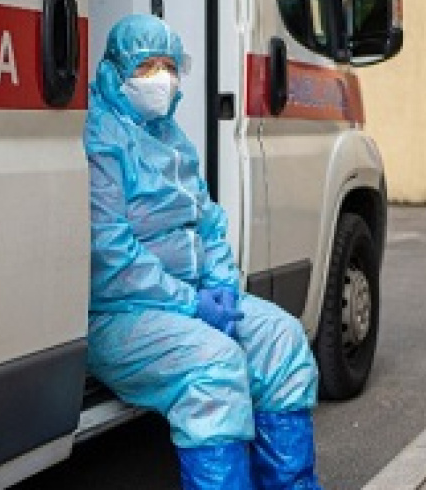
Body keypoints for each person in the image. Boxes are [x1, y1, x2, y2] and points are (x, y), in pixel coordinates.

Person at [85, 14, 322, 490]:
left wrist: (221, 286)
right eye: (146, 67)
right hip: (121, 314)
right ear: (114, 71)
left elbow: (209, 223)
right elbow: (110, 253)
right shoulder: (99, 139)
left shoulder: (172, 138)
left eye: (169, 67)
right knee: (215, 367)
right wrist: (191, 303)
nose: (161, 79)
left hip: (192, 300)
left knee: (283, 339)